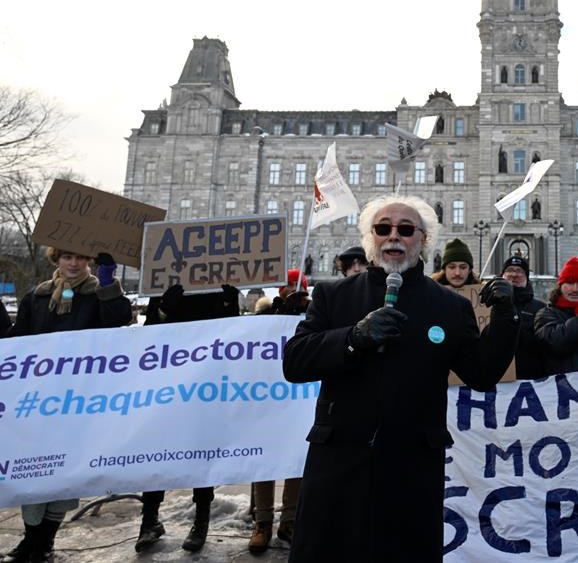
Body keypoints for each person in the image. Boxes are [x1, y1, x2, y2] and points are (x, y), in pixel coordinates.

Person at [282, 194, 519, 561]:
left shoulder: (450, 305)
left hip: (410, 468)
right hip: (339, 464)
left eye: (406, 229)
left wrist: (506, 318)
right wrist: (352, 338)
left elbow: (482, 373)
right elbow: (295, 362)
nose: (394, 236)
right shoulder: (333, 295)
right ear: (370, 237)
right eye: (383, 228)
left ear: (423, 240)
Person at [2, 249, 131, 563]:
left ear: (89, 262)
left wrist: (108, 285)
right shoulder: (37, 296)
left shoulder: (98, 294)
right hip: (39, 400)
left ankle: (45, 542)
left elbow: (119, 320)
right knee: (33, 471)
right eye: (66, 257)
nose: (73, 263)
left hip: (80, 402)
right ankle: (30, 541)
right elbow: (17, 340)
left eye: (80, 258)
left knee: (61, 472)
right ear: (55, 260)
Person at [134, 283, 240, 554]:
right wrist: (164, 311)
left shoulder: (219, 287)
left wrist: (229, 304)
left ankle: (200, 521)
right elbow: (150, 332)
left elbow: (234, 334)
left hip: (205, 383)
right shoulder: (164, 286)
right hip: (169, 381)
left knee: (200, 449)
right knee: (158, 448)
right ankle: (150, 520)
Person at [248, 269, 310, 554]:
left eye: (296, 289)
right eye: (286, 289)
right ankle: (262, 522)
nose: (291, 293)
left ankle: (290, 519)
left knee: (296, 459)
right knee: (264, 458)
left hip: (298, 399)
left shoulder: (313, 313)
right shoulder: (265, 314)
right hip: (266, 396)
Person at [500, 255, 547, 379]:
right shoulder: (489, 305)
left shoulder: (541, 308)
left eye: (519, 271)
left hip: (529, 378)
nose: (514, 275)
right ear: (502, 275)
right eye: (509, 270)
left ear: (527, 277)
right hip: (496, 379)